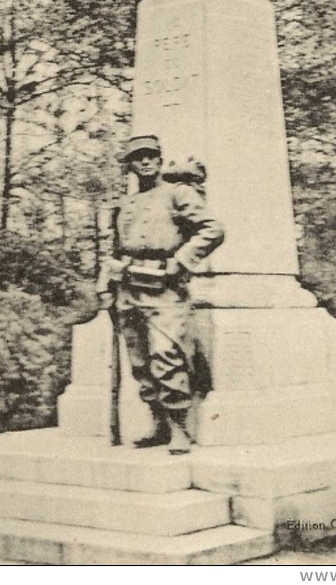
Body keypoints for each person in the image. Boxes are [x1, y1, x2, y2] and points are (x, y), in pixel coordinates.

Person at [97, 135, 224, 454]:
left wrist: (181, 261)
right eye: (138, 157)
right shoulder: (125, 204)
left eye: (151, 155)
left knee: (167, 355)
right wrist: (106, 282)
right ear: (130, 166)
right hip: (129, 287)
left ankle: (180, 427)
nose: (145, 162)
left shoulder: (177, 193)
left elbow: (212, 228)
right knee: (140, 362)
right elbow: (114, 247)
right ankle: (158, 425)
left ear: (159, 158)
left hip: (165, 289)